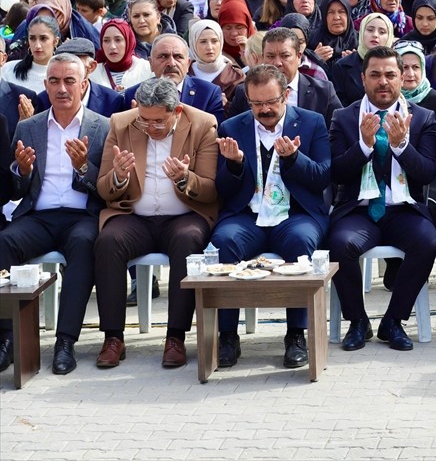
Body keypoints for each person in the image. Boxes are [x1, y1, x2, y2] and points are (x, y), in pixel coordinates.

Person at [211, 64, 332, 370]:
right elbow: (222, 190)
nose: (264, 110)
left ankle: (295, 334)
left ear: (286, 95)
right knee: (224, 241)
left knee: (300, 240)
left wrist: (294, 158)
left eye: (270, 102)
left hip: (295, 213)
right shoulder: (232, 127)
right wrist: (235, 165)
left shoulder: (311, 123)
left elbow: (322, 178)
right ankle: (227, 336)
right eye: (256, 104)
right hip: (247, 216)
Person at [94, 77, 219, 369]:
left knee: (188, 240)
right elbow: (103, 187)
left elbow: (211, 189)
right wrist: (119, 177)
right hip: (134, 216)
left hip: (184, 216)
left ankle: (175, 337)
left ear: (176, 112)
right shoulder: (121, 123)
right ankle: (113, 337)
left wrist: (184, 178)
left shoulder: (202, 124)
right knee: (108, 241)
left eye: (159, 122)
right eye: (145, 120)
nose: (151, 128)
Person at [0, 53, 109, 375]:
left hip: (82, 215)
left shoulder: (101, 127)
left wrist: (83, 168)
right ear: (45, 86)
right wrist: (23, 170)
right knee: (4, 242)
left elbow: (105, 189)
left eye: (69, 81)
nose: (62, 88)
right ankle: (6, 337)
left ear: (83, 84)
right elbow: (17, 191)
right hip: (39, 214)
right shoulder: (28, 127)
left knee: (83, 245)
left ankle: (65, 341)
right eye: (55, 81)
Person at [328, 46, 436, 352]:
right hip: (358, 210)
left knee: (427, 241)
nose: (383, 82)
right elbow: (336, 172)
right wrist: (363, 146)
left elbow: (428, 173)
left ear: (402, 77)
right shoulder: (344, 117)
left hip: (404, 209)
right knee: (339, 244)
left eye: (390, 74)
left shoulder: (422, 118)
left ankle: (393, 320)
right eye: (375, 75)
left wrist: (401, 145)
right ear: (363, 78)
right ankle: (358, 321)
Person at [226, 27, 343, 127]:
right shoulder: (244, 92)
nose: (277, 63)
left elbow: (336, 135)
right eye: (270, 56)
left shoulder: (323, 92)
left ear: (299, 57)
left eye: (285, 56)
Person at [123, 34, 225, 122]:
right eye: (163, 56)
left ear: (188, 63)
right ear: (151, 63)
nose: (171, 63)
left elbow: (213, 135)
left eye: (178, 57)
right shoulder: (133, 95)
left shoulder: (208, 93)